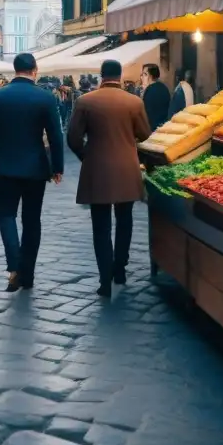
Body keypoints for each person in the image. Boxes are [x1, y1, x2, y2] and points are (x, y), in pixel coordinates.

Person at [0, 53, 64, 292]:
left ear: (14, 70)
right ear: (34, 70)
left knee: (6, 215)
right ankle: (28, 276)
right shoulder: (45, 98)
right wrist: (57, 167)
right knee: (32, 221)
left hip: (5, 167)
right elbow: (56, 137)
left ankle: (14, 265)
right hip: (36, 168)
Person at [67, 59, 151, 298]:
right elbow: (145, 134)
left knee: (100, 226)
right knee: (125, 220)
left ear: (101, 76)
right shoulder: (134, 101)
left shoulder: (85, 101)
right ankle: (120, 269)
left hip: (97, 170)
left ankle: (104, 278)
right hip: (127, 168)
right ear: (120, 75)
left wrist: (87, 156)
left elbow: (73, 138)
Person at [140, 64, 171, 131]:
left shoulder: (150, 90)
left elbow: (146, 116)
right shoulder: (163, 87)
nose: (141, 77)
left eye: (144, 74)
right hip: (163, 127)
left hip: (153, 130)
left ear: (150, 76)